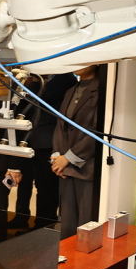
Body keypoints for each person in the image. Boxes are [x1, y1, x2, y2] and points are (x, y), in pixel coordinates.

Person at [10, 73, 77, 220]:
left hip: (49, 141)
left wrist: (35, 81)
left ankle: (46, 221)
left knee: (49, 186)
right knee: (41, 184)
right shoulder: (51, 79)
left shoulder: (64, 78)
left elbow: (39, 97)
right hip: (38, 139)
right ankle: (40, 222)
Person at [52, 65, 100, 237]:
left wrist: (68, 158)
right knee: (67, 224)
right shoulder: (70, 90)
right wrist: (57, 158)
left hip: (86, 168)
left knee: (85, 225)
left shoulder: (101, 90)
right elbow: (60, 126)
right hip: (65, 168)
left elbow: (97, 132)